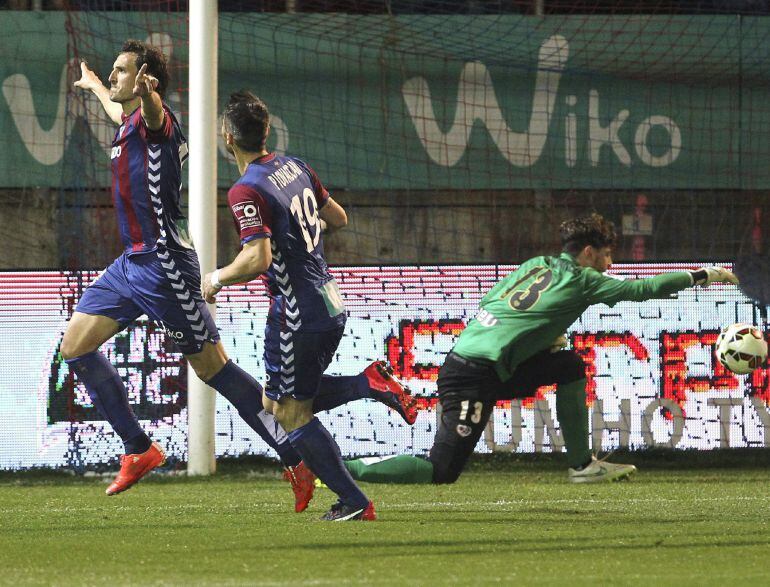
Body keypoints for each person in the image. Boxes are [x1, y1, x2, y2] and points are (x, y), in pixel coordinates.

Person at [64, 41, 416, 504]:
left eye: (120, 71)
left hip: (166, 267)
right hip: (131, 263)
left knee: (217, 371)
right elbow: (121, 111)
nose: (112, 77)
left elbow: (151, 113)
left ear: (145, 80)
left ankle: (292, 455)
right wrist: (94, 86)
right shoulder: (128, 120)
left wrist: (149, 95)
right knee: (75, 346)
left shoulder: (159, 122)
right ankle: (138, 448)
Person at [343, 213, 740, 485]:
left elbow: (490, 304)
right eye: (606, 255)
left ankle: (583, 466)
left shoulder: (536, 265)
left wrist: (537, 341)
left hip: (477, 362)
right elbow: (640, 290)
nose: (609, 263)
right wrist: (702, 274)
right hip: (473, 377)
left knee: (568, 365)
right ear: (588, 253)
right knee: (440, 471)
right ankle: (343, 469)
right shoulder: (585, 280)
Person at [202, 91, 378, 521]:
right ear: (267, 132)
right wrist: (300, 242)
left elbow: (256, 259)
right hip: (330, 300)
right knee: (276, 400)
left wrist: (216, 278)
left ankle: (354, 502)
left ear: (227, 138)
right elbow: (337, 219)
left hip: (296, 310)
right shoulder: (295, 165)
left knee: (288, 411)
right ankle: (367, 385)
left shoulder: (245, 190)